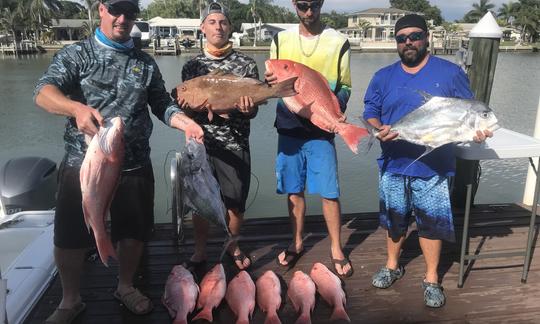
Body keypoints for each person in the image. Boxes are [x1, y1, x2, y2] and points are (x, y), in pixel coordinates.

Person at [34, 0, 204, 323]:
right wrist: (76, 110)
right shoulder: (78, 54)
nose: (123, 18)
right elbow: (43, 91)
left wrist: (187, 123)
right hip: (83, 164)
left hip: (135, 162)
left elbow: (163, 105)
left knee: (134, 232)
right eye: (116, 9)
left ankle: (125, 285)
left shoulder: (146, 63)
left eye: (131, 11)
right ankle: (70, 300)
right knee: (69, 234)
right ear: (101, 9)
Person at [362, 14, 492, 308]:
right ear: (396, 42)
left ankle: (432, 279)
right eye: (401, 38)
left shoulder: (450, 73)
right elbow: (370, 109)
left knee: (431, 223)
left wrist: (477, 132)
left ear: (427, 37)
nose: (409, 42)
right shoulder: (383, 76)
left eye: (415, 36)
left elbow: (469, 111)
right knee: (394, 219)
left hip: (433, 166)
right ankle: (392, 265)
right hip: (394, 161)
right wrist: (376, 127)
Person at [264, 0, 353, 278]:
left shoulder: (339, 41)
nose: (309, 11)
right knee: (294, 188)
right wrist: (270, 82)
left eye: (314, 4)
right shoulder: (280, 39)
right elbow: (273, 80)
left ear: (322, 3)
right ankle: (297, 242)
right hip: (289, 125)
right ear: (294, 4)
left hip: (321, 126)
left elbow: (346, 85)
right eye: (303, 5)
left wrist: (330, 112)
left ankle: (337, 248)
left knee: (329, 190)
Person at [176, 1, 258, 272]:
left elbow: (253, 112)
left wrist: (248, 109)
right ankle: (200, 250)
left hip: (235, 143)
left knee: (235, 202)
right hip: (200, 144)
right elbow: (185, 106)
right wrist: (186, 108)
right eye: (212, 22)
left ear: (230, 27)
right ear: (202, 28)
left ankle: (232, 245)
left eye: (223, 22)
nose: (218, 27)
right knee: (200, 202)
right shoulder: (192, 67)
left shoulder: (246, 64)